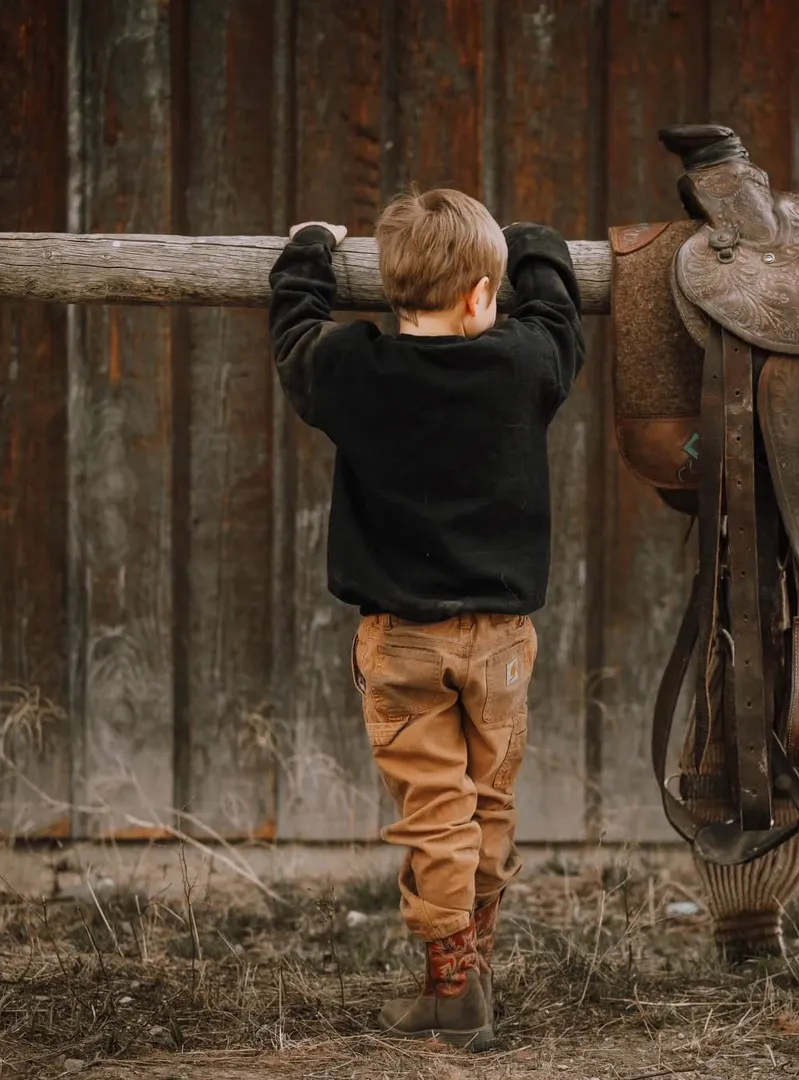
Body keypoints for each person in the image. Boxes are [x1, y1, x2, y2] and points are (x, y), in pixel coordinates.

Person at [268, 187, 584, 1049]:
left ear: (392, 292)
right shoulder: (524, 364)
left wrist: (308, 252)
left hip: (403, 640)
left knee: (435, 808)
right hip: (501, 645)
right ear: (485, 295)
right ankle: (472, 969)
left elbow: (294, 338)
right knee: (487, 800)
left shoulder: (357, 371)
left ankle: (453, 987)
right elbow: (559, 316)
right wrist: (536, 242)